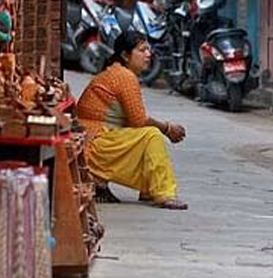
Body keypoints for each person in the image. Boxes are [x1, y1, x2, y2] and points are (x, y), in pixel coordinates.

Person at [75, 30, 189, 210]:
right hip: (94, 143)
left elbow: (132, 122)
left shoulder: (118, 72)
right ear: (125, 55)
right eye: (142, 50)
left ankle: (148, 188)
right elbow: (139, 120)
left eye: (148, 50)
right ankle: (164, 193)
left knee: (143, 137)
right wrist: (166, 128)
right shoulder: (124, 76)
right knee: (151, 135)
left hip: (93, 140)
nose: (148, 55)